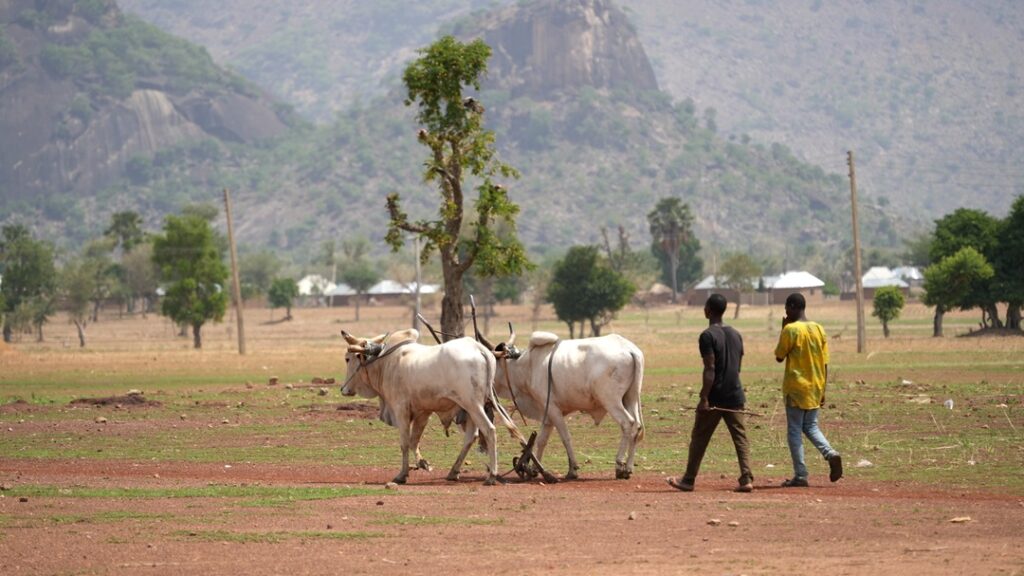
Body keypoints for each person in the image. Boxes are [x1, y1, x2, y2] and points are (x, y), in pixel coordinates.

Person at [667, 293, 753, 493]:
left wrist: (704, 397)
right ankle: (747, 478)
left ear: (709, 310)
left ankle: (688, 480)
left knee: (699, 437)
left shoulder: (707, 336)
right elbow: (738, 366)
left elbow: (710, 368)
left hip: (715, 396)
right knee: (740, 438)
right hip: (735, 394)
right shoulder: (736, 334)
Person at [774, 292, 842, 487]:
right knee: (811, 426)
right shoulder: (819, 329)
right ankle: (831, 453)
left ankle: (801, 475)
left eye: (787, 308)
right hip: (816, 385)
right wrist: (823, 389)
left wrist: (784, 329)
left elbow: (779, 356)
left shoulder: (791, 330)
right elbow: (825, 362)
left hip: (796, 387)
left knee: (794, 430)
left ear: (793, 307)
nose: (786, 312)